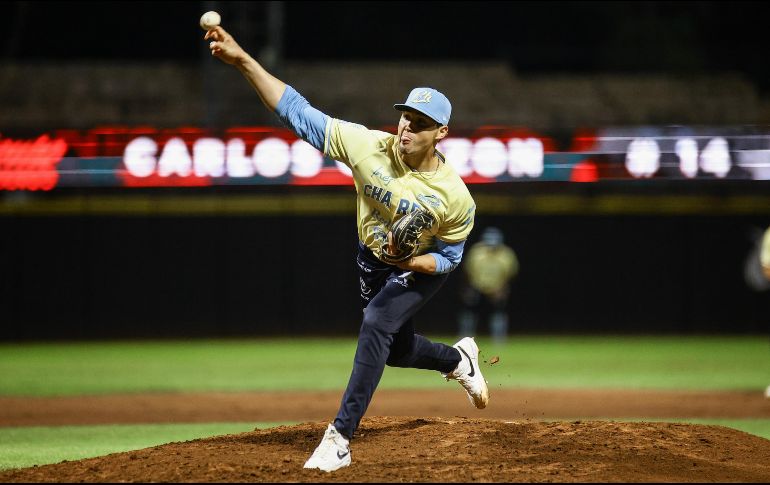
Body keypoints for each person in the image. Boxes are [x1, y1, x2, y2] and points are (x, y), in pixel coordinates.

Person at [203, 26, 488, 472]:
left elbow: (450, 259)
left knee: (377, 321)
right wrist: (242, 60)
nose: (407, 126)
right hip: (372, 260)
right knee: (395, 349)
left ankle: (339, 439)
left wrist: (409, 260)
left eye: (421, 122)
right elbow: (296, 111)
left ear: (442, 133)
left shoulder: (456, 198)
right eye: (406, 116)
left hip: (416, 268)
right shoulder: (368, 146)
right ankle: (458, 358)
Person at [458, 226, 519, 344]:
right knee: (469, 312)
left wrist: (503, 287)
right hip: (477, 286)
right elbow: (467, 269)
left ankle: (499, 339)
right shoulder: (476, 251)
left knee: (498, 312)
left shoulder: (507, 254)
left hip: (497, 288)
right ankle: (465, 337)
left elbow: (512, 272)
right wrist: (468, 287)